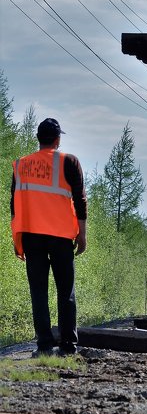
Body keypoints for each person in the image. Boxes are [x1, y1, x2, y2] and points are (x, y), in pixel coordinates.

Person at [10, 118, 87, 357]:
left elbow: (14, 205)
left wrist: (17, 238)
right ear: (58, 139)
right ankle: (68, 346)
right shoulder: (69, 162)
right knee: (66, 292)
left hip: (32, 236)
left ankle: (44, 345)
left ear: (38, 138)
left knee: (39, 292)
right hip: (61, 236)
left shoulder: (21, 165)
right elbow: (80, 200)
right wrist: (82, 235)